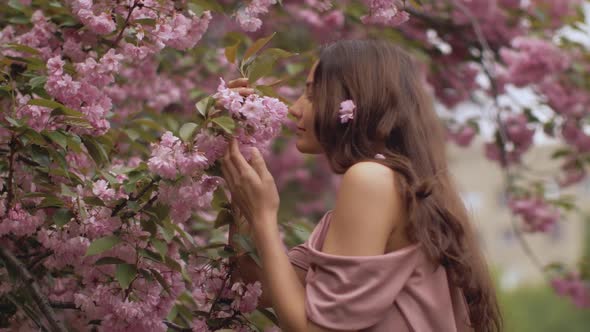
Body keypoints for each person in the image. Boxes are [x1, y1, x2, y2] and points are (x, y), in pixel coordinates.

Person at [220, 39, 502, 332]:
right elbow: (257, 287)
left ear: (353, 102)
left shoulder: (371, 180)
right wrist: (243, 192)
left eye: (312, 94)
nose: (295, 108)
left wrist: (264, 216)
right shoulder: (397, 184)